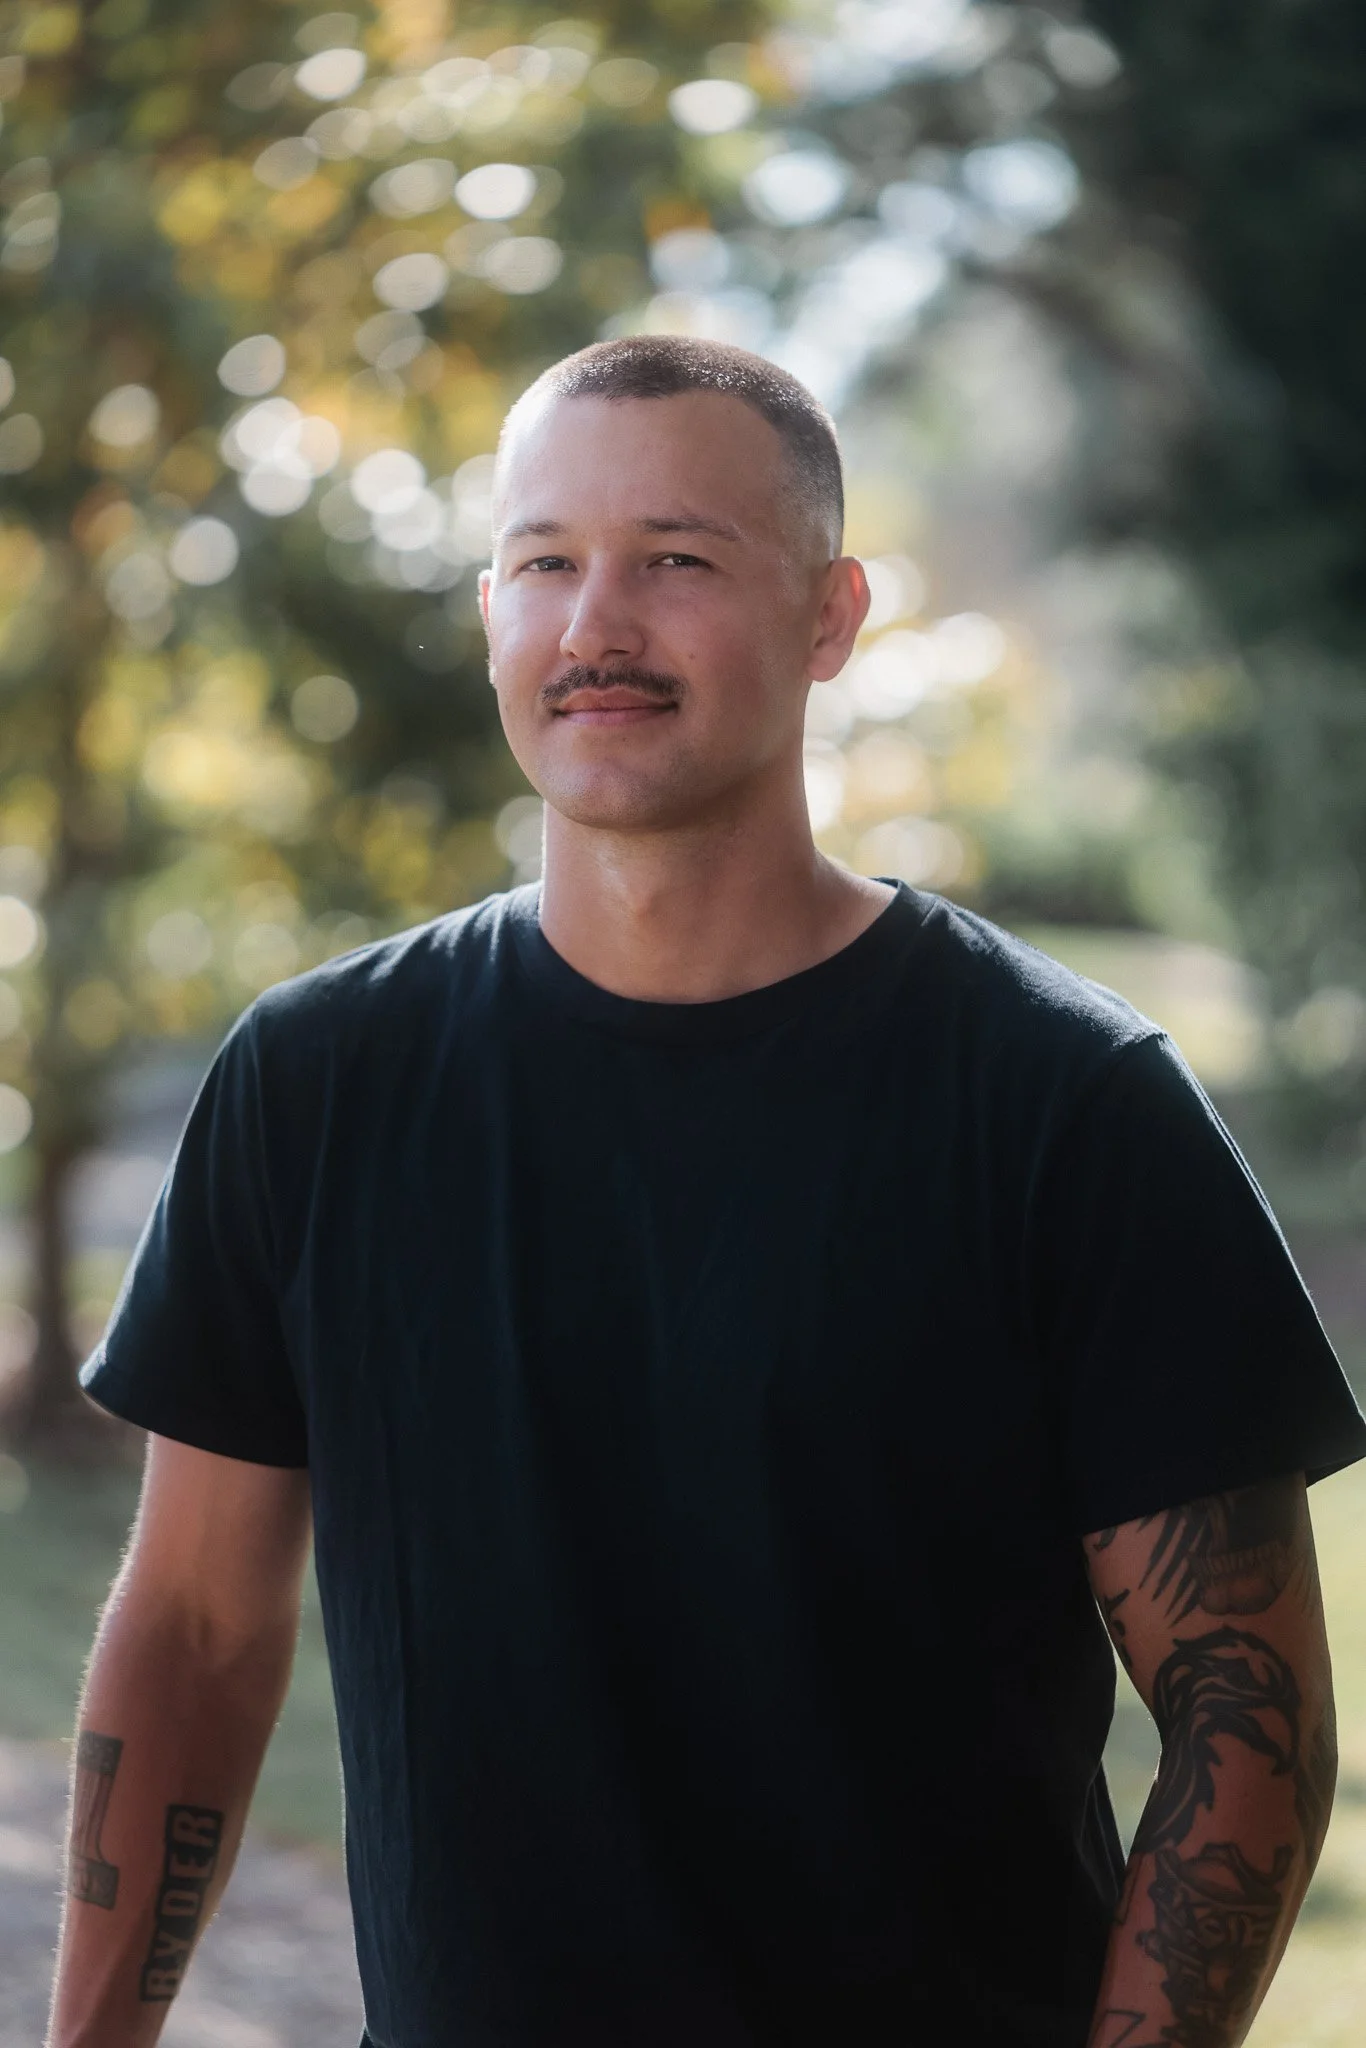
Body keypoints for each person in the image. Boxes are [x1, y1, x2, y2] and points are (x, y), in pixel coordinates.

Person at [53, 336, 1366, 2048]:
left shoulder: (1064, 1103)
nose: (594, 626)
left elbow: (1237, 1709)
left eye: (674, 559)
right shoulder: (314, 1085)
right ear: (491, 612)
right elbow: (203, 1627)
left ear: (829, 617)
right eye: (544, 563)